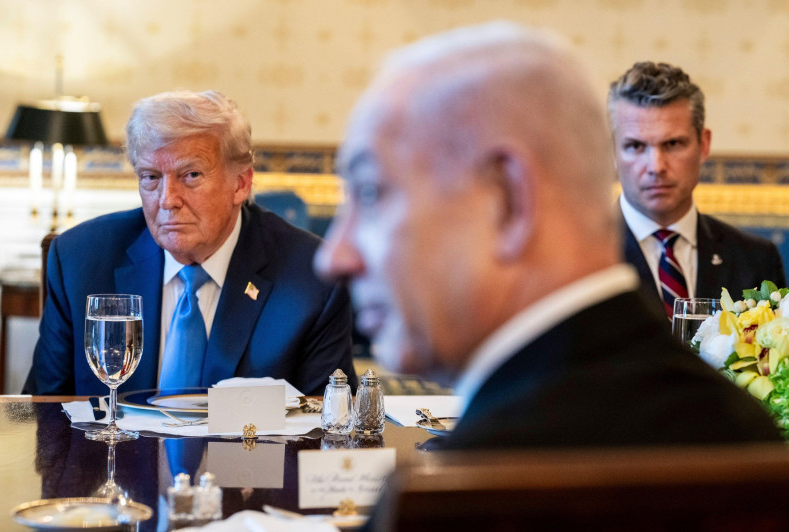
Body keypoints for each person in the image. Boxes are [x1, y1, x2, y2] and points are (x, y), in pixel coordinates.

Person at [314, 22, 783, 450]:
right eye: (635, 146)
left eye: (372, 193)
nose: (333, 256)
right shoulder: (743, 434)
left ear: (509, 201)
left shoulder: (475, 482)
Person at [23, 90, 356, 396]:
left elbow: (330, 426)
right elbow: (43, 412)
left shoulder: (313, 276)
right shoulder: (80, 260)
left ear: (241, 184)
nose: (167, 200)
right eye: (151, 177)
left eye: (191, 175)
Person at [609, 62, 786, 319]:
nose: (656, 166)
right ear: (613, 150)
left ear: (703, 144)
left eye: (673, 143)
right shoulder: (575, 258)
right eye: (635, 146)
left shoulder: (756, 259)